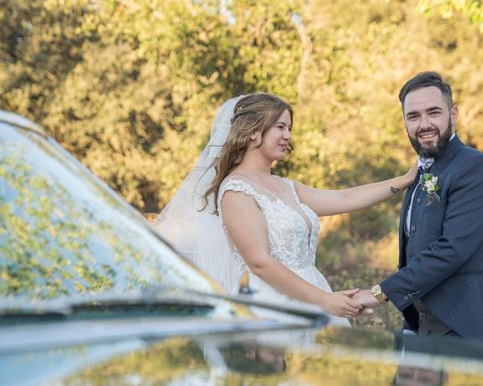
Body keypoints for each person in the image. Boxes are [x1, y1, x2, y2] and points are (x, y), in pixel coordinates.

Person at [155, 93, 416, 322]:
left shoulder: (285, 186)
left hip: (310, 290)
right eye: (280, 127)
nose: (287, 136)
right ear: (253, 131)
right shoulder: (236, 190)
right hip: (270, 304)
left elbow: (345, 199)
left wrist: (404, 180)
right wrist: (324, 300)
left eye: (288, 128)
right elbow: (260, 263)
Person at [353, 71, 483, 343]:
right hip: (426, 330)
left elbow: (451, 249)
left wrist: (378, 293)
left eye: (433, 112)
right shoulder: (422, 172)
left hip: (472, 331)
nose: (424, 124)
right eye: (413, 116)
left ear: (453, 114)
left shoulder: (476, 168)